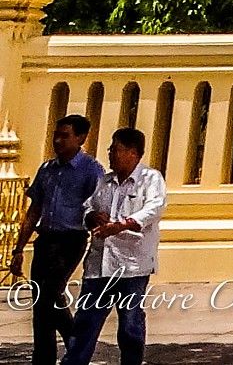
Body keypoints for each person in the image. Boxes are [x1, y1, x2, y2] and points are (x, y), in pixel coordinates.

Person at [60, 128, 161, 365]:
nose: (111, 154)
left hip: (132, 266)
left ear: (133, 152)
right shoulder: (104, 182)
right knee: (85, 323)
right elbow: (87, 207)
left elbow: (153, 210)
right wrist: (93, 217)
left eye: (115, 149)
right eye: (110, 149)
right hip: (99, 265)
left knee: (130, 325)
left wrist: (120, 226)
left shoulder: (150, 179)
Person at [10, 116, 102, 365]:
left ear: (81, 138)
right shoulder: (47, 169)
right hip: (46, 239)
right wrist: (19, 247)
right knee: (41, 301)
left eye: (65, 136)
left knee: (50, 294)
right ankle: (46, 356)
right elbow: (34, 209)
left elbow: (99, 207)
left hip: (70, 240)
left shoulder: (91, 170)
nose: (58, 141)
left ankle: (76, 343)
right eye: (56, 135)